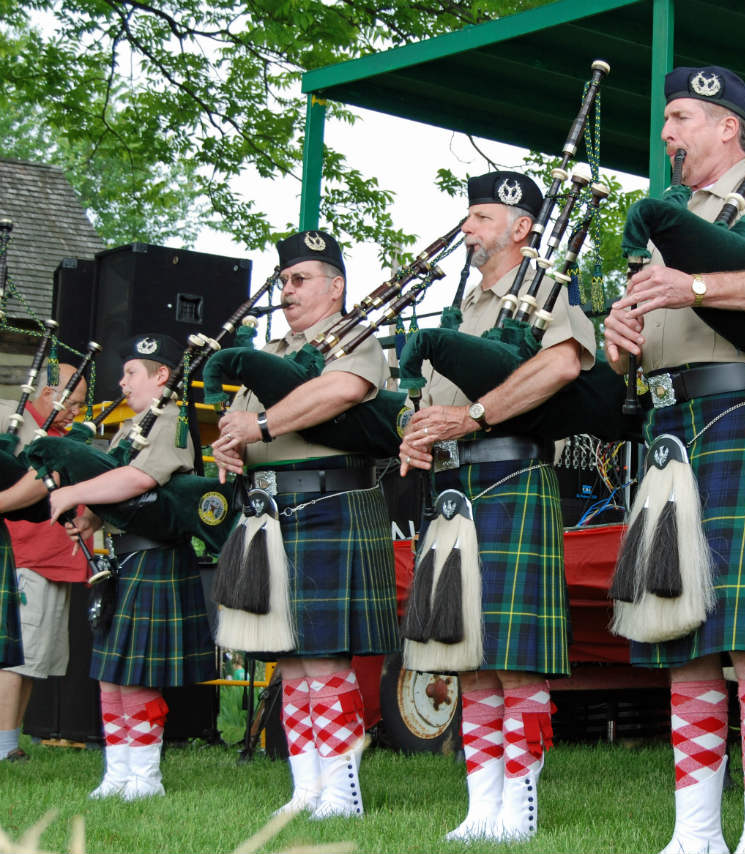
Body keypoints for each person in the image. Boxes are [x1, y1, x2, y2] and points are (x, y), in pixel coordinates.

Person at [603, 65, 745, 854]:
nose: (668, 135)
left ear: (729, 125)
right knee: (679, 631)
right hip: (667, 425)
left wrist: (694, 284)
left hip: (738, 409)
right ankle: (694, 829)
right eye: (666, 121)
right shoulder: (667, 214)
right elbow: (643, 322)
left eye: (682, 118)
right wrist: (619, 339)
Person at [397, 170, 595, 843]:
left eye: (481, 218)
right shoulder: (465, 311)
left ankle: (521, 805)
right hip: (454, 485)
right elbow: (431, 403)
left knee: (515, 655)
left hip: (512, 472)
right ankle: (482, 806)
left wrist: (475, 415)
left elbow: (563, 365)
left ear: (521, 227)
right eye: (469, 216)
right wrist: (417, 432)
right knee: (469, 654)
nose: (468, 229)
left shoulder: (543, 293)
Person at [212, 230, 400, 820]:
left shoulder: (354, 339)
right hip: (268, 511)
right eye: (284, 280)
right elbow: (235, 420)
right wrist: (228, 443)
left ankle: (341, 791)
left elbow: (338, 394)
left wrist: (260, 426)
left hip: (329, 502)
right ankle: (306, 786)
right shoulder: (271, 351)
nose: (287, 290)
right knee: (288, 656)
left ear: (336, 285)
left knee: (324, 657)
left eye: (301, 279)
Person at [48, 335, 215, 800]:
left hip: (156, 554)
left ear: (162, 376)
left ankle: (145, 776)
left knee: (136, 674)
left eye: (131, 373)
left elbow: (141, 478)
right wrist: (90, 519)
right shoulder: (131, 426)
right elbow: (118, 490)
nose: (122, 383)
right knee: (112, 671)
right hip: (126, 556)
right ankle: (117, 772)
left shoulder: (171, 418)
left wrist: (75, 494)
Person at [0, 363, 89, 763]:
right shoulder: (18, 428)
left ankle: (9, 741)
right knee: (13, 659)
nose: (77, 412)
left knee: (33, 660)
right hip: (27, 557)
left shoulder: (57, 435)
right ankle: (3, 746)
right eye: (74, 402)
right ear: (50, 392)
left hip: (53, 561)